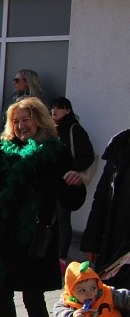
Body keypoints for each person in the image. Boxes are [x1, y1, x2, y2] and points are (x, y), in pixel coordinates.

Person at [0, 97, 87, 317]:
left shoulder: (54, 152)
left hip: (36, 236)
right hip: (1, 235)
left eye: (26, 120)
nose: (21, 126)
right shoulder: (1, 152)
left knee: (33, 293)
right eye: (16, 121)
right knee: (1, 289)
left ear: (39, 121)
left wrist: (76, 183)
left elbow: (71, 201)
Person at [81, 129, 130, 288]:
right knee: (110, 305)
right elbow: (102, 197)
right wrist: (91, 242)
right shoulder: (121, 145)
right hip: (114, 243)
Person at [51, 97, 95, 260]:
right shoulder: (50, 130)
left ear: (68, 110)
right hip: (50, 181)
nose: (54, 111)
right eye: (52, 108)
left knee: (63, 219)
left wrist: (70, 168)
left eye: (59, 108)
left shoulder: (74, 129)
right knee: (49, 217)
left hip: (67, 182)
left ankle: (61, 257)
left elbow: (87, 156)